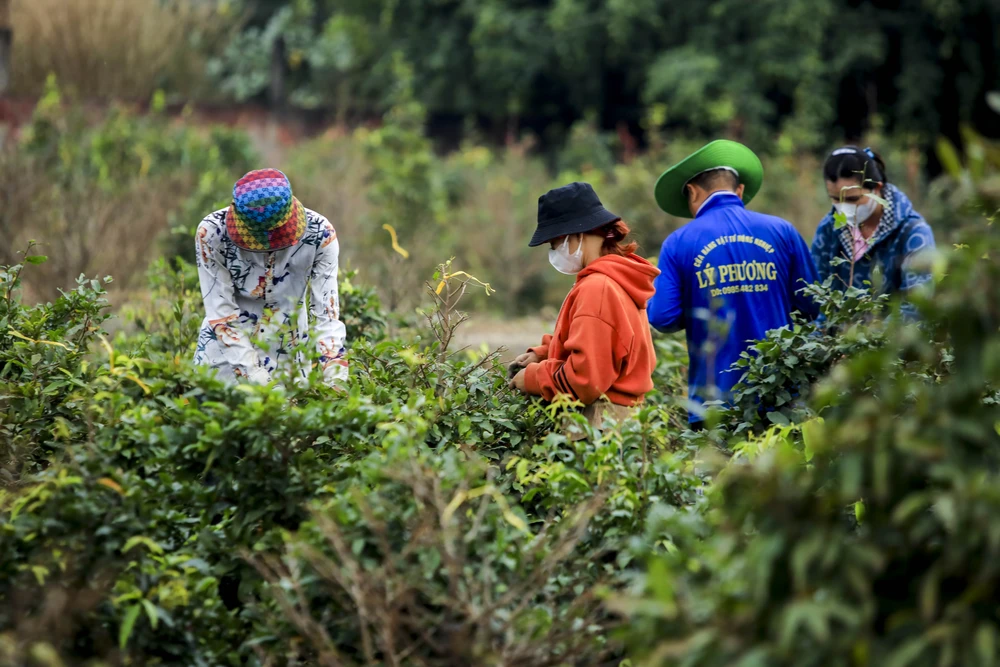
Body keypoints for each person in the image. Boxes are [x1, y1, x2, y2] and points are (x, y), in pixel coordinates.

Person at [647, 140, 819, 426]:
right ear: (739, 190)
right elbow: (813, 303)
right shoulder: (782, 231)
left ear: (691, 191)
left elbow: (663, 317)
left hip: (714, 404)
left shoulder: (678, 243)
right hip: (782, 396)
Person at [507, 182, 660, 431]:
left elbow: (585, 379)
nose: (554, 252)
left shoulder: (597, 288)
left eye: (555, 243)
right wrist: (543, 353)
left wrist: (534, 378)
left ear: (578, 235)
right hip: (621, 420)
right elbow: (600, 343)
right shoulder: (615, 278)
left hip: (600, 422)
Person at [193, 168, 348, 388]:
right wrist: (257, 377)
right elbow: (222, 312)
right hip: (223, 360)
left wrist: (335, 379)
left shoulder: (319, 234)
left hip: (289, 358)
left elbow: (326, 316)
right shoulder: (212, 234)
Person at [811, 146, 935, 307]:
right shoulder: (828, 230)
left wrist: (872, 332)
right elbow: (818, 297)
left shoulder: (913, 233)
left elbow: (917, 305)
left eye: (852, 199)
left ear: (876, 188)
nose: (843, 208)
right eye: (835, 199)